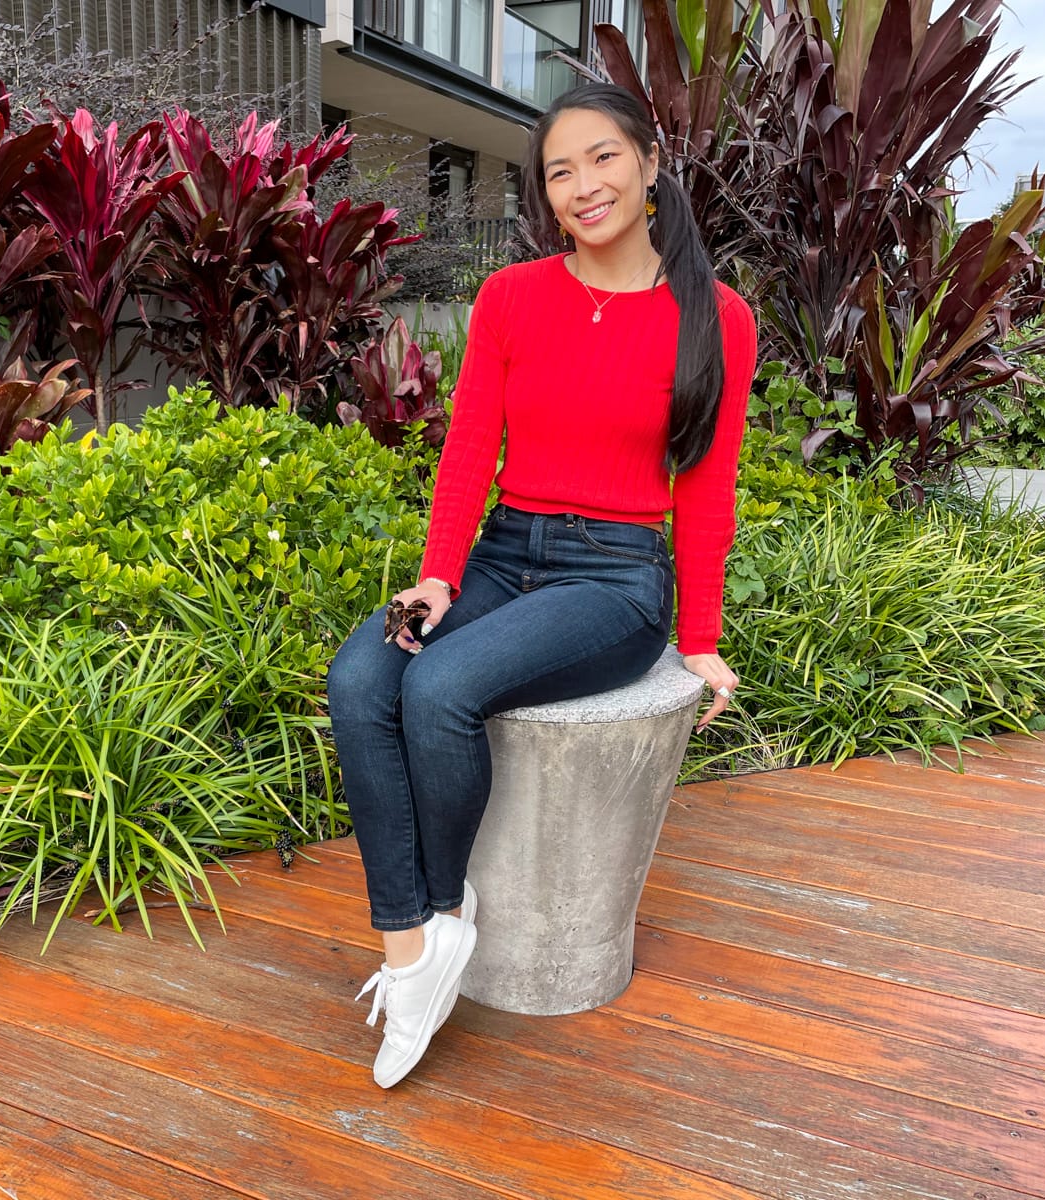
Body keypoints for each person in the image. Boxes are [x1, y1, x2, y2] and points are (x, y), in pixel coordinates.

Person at [324, 81, 758, 1089]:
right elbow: (471, 442)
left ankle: (441, 914)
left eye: (601, 158)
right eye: (559, 171)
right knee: (361, 677)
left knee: (440, 688)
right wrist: (438, 575)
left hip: (613, 578)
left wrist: (697, 636)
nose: (582, 186)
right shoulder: (513, 296)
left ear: (649, 164)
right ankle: (414, 949)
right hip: (502, 553)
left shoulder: (716, 318)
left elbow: (706, 487)